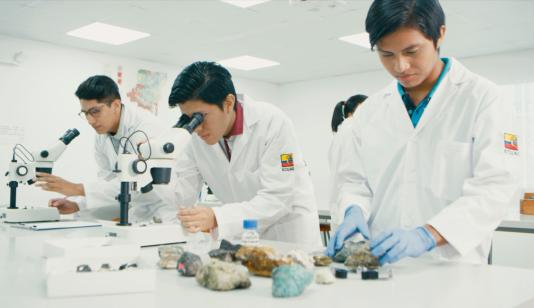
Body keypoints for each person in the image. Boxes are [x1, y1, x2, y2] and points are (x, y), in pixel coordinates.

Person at [327, 0, 519, 265]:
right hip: (383, 267)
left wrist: (427, 234)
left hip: (453, 269)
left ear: (439, 34)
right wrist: (353, 209)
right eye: (387, 55)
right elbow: (355, 182)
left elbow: (495, 188)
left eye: (411, 51)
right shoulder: (370, 111)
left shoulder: (483, 98)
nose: (400, 66)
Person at [170, 61, 321, 246]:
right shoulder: (195, 139)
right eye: (189, 118)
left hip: (288, 233)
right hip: (243, 233)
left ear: (228, 103)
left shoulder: (274, 123)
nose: (197, 127)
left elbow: (279, 197)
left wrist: (217, 217)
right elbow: (181, 196)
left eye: (201, 117)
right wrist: (153, 167)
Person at [35, 75, 177, 223]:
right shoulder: (102, 134)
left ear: (115, 105)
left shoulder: (146, 129)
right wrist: (77, 204)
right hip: (137, 211)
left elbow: (137, 183)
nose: (90, 120)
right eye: (85, 113)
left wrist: (76, 188)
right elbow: (107, 181)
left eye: (95, 111)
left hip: (165, 212)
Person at [328, 94, 367, 231]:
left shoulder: (340, 133)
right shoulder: (353, 130)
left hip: (343, 206)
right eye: (365, 109)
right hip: (353, 208)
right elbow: (354, 177)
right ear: (350, 113)